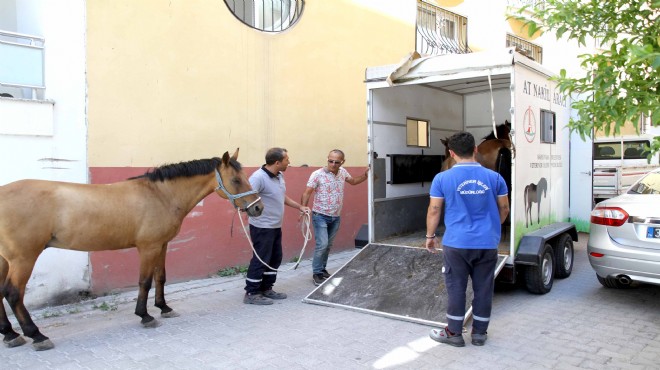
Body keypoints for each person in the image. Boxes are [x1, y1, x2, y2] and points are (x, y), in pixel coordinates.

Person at [425, 132, 509, 347]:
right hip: (487, 243)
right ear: (475, 150)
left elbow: (435, 210)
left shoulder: (442, 178)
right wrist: (491, 227)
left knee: (456, 287)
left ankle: (454, 333)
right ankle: (479, 334)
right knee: (483, 288)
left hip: (456, 243)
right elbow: (505, 208)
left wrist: (430, 236)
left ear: (451, 153)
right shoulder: (495, 178)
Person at [244, 147, 311, 305]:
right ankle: (251, 292)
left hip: (275, 226)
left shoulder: (279, 176)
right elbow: (247, 197)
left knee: (275, 258)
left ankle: (266, 288)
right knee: (261, 259)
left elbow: (282, 196)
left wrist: (299, 207)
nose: (289, 162)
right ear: (277, 162)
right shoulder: (258, 177)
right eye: (287, 160)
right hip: (262, 226)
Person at [301, 149, 369, 286]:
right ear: (327, 159)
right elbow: (307, 192)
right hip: (320, 215)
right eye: (330, 161)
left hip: (335, 216)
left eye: (336, 162)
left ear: (342, 162)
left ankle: (323, 269)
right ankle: (317, 273)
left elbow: (354, 181)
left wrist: (366, 175)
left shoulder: (343, 172)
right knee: (322, 244)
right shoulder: (317, 174)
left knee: (328, 245)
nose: (333, 164)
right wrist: (303, 209)